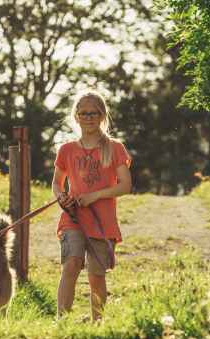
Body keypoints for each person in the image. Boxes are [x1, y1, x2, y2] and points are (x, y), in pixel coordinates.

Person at [51, 90, 132, 322]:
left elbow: (125, 185)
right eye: (84, 113)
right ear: (76, 116)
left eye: (94, 113)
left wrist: (95, 195)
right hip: (73, 217)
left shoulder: (115, 148)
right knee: (71, 265)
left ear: (102, 115)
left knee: (96, 274)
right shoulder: (66, 149)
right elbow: (57, 183)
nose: (89, 117)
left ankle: (98, 322)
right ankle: (62, 321)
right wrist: (61, 197)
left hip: (102, 221)